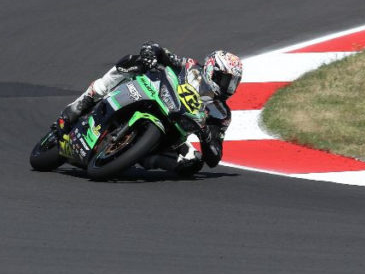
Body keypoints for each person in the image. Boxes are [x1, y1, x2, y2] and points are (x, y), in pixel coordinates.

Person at [54, 42, 243, 176]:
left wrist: (206, 135)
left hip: (172, 134)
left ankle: (141, 156)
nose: (228, 87)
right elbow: (161, 51)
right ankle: (84, 102)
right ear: (211, 70)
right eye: (226, 80)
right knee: (132, 62)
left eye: (233, 83)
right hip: (154, 97)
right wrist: (151, 53)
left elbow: (214, 158)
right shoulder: (190, 67)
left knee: (194, 163)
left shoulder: (222, 114)